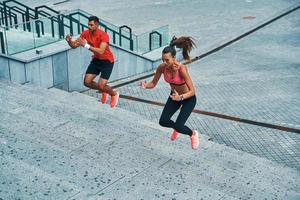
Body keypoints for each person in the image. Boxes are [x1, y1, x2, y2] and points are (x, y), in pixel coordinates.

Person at [140, 36, 199, 150]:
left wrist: (180, 97)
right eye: (163, 59)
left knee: (179, 125)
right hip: (174, 97)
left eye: (167, 60)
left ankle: (193, 134)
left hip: (188, 99)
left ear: (174, 58)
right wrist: (145, 85)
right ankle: (177, 129)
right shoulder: (162, 67)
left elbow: (193, 91)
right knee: (163, 121)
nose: (165, 62)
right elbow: (153, 83)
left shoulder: (181, 69)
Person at [65, 16, 119, 108]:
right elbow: (74, 45)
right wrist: (69, 41)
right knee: (87, 82)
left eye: (92, 25)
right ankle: (105, 90)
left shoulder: (104, 35)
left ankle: (114, 94)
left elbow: (101, 50)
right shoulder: (85, 33)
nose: (89, 27)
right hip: (96, 60)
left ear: (97, 25)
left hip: (107, 61)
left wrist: (86, 45)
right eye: (88, 25)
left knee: (102, 85)